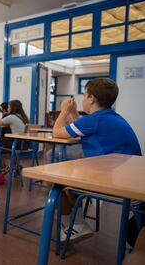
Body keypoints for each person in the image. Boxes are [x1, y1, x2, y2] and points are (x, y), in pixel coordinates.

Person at [53, 78, 141, 243]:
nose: (83, 99)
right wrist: (74, 113)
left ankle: (77, 226)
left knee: (55, 182)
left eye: (85, 95)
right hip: (130, 178)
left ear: (92, 98)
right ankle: (76, 218)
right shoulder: (110, 117)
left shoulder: (94, 120)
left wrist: (64, 110)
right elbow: (81, 126)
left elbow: (57, 132)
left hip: (114, 181)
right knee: (68, 180)